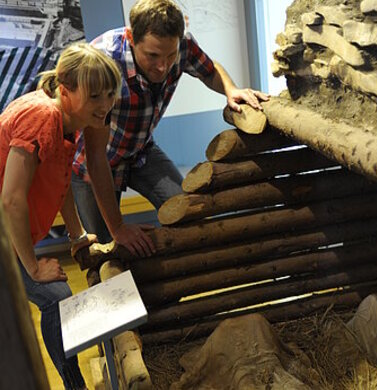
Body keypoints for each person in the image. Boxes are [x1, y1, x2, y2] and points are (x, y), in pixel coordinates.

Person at [71, 0, 270, 250]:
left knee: (188, 210)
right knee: (103, 246)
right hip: (94, 163)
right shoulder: (105, 62)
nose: (163, 66)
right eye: (152, 56)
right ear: (132, 37)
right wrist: (118, 227)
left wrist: (231, 90)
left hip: (140, 151)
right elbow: (96, 156)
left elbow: (209, 70)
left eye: (171, 55)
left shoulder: (182, 43)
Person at [0, 42, 125, 390]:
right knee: (54, 297)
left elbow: (59, 177)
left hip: (11, 236)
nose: (105, 105)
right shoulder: (42, 117)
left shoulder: (68, 121)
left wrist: (77, 234)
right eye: (96, 96)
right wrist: (34, 267)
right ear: (65, 88)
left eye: (110, 94)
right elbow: (11, 199)